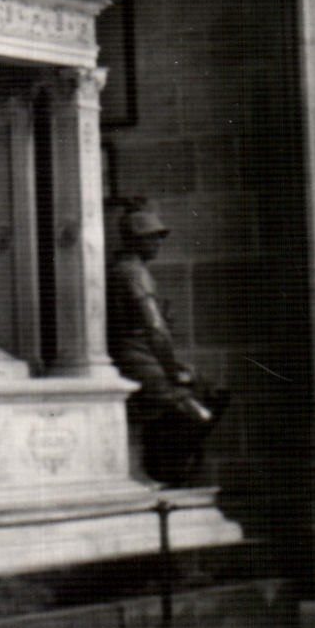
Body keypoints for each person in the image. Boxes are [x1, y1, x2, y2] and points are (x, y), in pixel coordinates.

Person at [106, 205, 229, 487]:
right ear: (134, 240)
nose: (158, 243)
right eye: (152, 237)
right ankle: (165, 470)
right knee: (196, 412)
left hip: (142, 356)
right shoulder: (133, 273)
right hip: (139, 359)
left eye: (159, 237)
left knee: (212, 392)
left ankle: (166, 465)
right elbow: (155, 329)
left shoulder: (127, 270)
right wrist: (173, 371)